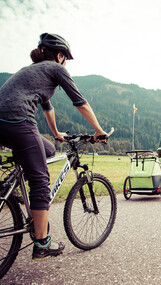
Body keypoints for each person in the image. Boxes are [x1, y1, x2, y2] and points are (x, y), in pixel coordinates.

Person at [0, 33, 107, 260]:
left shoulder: (31, 71)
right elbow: (80, 102)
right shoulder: (56, 69)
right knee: (40, 180)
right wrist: (98, 130)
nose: (65, 63)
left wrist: (56, 133)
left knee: (48, 150)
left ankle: (15, 190)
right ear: (60, 56)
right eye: (65, 59)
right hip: (18, 121)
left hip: (4, 124)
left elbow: (48, 108)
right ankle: (42, 243)